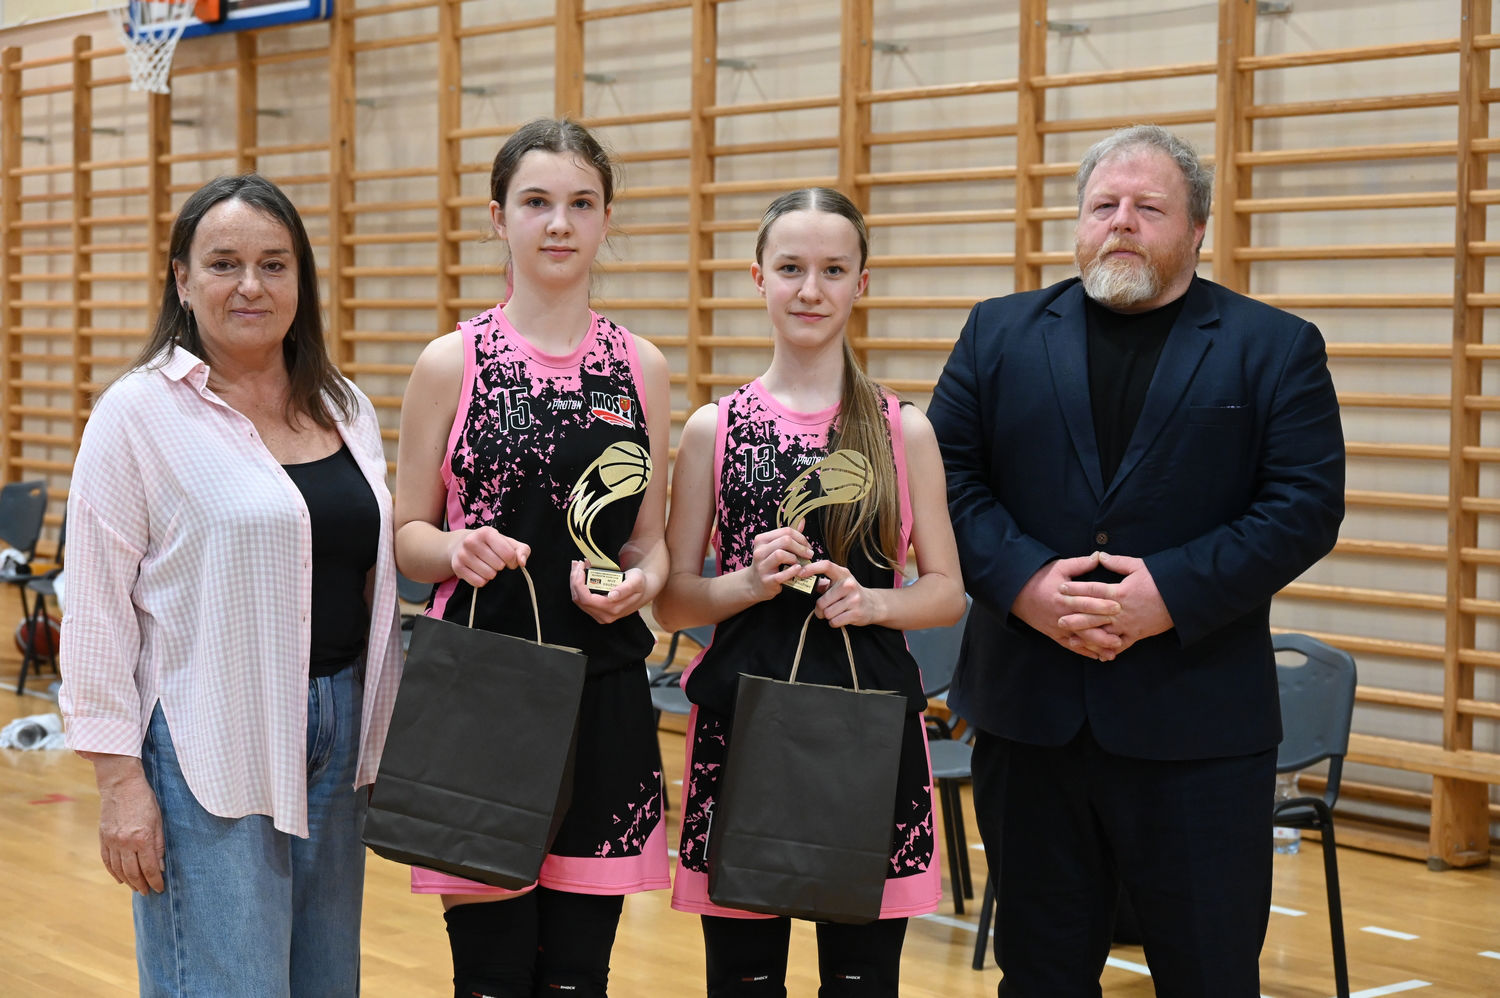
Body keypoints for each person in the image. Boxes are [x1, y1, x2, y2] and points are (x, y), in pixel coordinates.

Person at [927, 124, 1346, 995]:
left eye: (1148, 207)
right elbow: (943, 481)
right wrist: (1025, 583)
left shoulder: (1274, 346)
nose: (1120, 221)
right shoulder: (997, 333)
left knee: (1208, 976)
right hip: (1030, 719)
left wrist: (1172, 593)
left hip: (1198, 728)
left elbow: (1304, 507)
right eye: (1102, 205)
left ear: (1197, 230)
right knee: (1039, 977)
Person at [59, 173, 405, 996]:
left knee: (327, 984)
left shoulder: (345, 406)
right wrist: (119, 783)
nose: (251, 285)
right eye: (224, 264)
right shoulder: (136, 415)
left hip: (339, 734)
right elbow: (96, 609)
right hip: (205, 740)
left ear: (300, 280)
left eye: (274, 265)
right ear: (182, 279)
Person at [655, 187, 966, 998]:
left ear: (861, 283)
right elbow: (674, 603)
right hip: (744, 734)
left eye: (833, 270)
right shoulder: (714, 428)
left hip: (870, 737)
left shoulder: (903, 430)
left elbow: (946, 594)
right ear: (758, 277)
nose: (810, 289)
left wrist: (873, 602)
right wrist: (749, 583)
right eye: (791, 268)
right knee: (744, 984)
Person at [394, 117, 672, 998]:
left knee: (579, 977)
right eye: (537, 202)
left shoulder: (643, 367)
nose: (559, 223)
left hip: (605, 691)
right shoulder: (451, 362)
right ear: (498, 217)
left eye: (581, 204)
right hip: (481, 688)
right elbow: (407, 537)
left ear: (606, 219)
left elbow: (651, 540)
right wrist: (455, 547)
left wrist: (642, 582)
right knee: (491, 975)